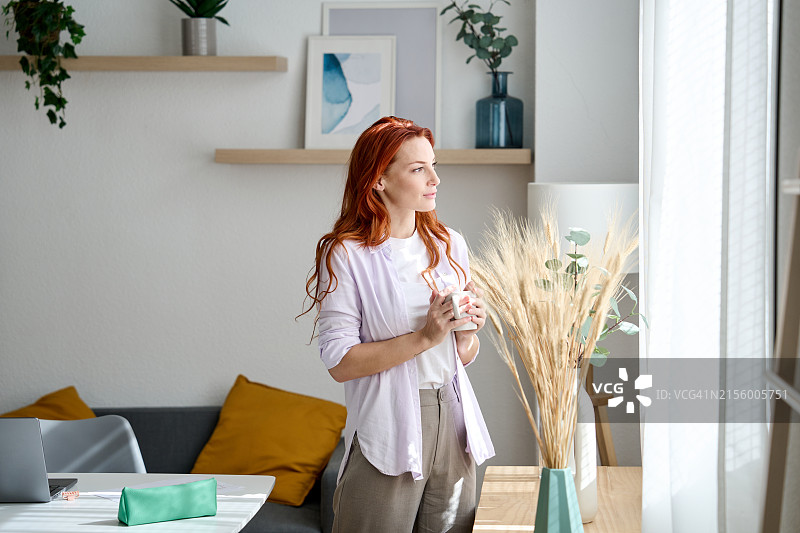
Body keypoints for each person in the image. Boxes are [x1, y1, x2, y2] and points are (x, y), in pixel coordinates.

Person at [301, 116, 494, 532]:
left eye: (434, 165)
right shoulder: (347, 254)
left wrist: (467, 334)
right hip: (388, 424)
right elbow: (340, 363)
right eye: (417, 168)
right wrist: (425, 336)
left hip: (453, 416)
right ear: (378, 180)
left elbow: (461, 355)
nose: (434, 179)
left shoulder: (449, 244)